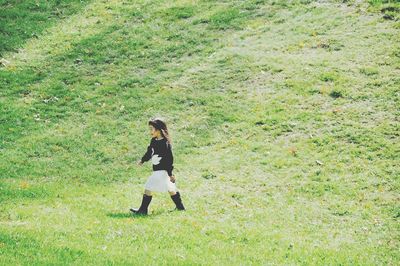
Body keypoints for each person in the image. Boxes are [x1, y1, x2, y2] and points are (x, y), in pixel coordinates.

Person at [130, 118, 185, 215]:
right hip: (157, 170)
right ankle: (180, 207)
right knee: (171, 188)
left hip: (162, 171)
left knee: (148, 187)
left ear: (159, 130)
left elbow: (169, 159)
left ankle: (143, 210)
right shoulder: (153, 141)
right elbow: (149, 152)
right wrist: (143, 160)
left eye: (152, 129)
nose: (150, 131)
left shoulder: (165, 144)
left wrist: (170, 173)